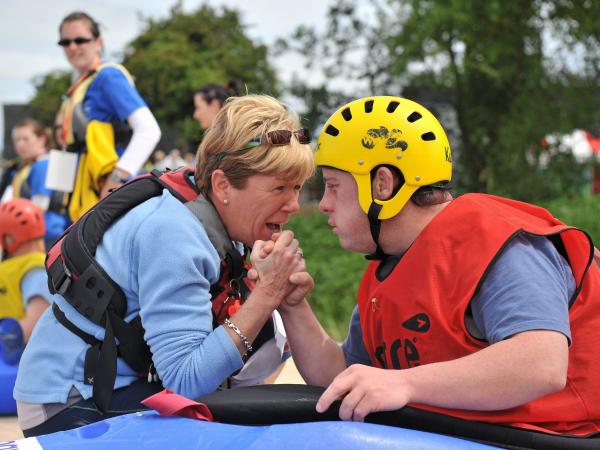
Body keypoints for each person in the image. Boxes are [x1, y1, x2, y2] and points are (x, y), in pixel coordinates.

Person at [275, 96, 600, 436]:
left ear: (382, 185)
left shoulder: (498, 241)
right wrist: (292, 305)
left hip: (564, 437)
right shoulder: (390, 267)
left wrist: (404, 384)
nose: (323, 205)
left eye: (332, 187)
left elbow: (541, 364)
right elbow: (344, 377)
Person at [14, 94, 314, 436]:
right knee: (235, 418)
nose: (293, 205)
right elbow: (186, 380)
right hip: (70, 402)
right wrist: (267, 293)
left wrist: (277, 297)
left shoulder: (209, 212)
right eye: (279, 189)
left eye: (298, 188)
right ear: (222, 185)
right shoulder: (174, 233)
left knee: (265, 332)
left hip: (119, 384)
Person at [54, 11, 161, 222]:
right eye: (65, 42)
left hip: (109, 198)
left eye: (80, 40)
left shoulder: (108, 76)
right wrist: (55, 204)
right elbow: (70, 148)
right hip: (81, 200)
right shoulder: (77, 88)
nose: (72, 47)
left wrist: (117, 180)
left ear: (98, 42)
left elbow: (149, 130)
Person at [0, 199, 52, 363]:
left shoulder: (35, 269)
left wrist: (7, 338)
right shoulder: (20, 267)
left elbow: (36, 320)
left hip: (22, 362)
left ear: (8, 238)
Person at [10, 118, 70, 249]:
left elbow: (39, 207)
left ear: (41, 139)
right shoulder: (32, 165)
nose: (20, 144)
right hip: (52, 235)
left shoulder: (42, 165)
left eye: (25, 139)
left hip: (45, 238)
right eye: (17, 140)